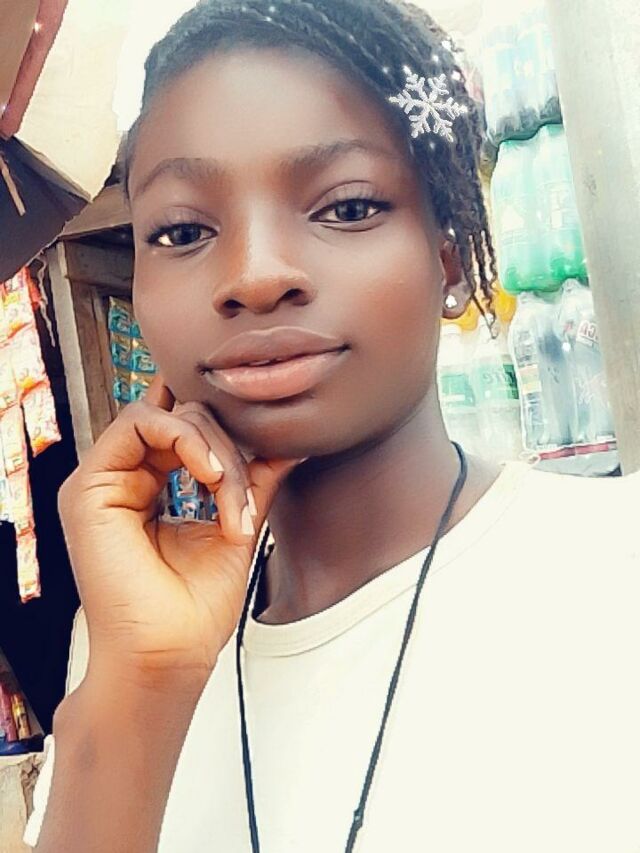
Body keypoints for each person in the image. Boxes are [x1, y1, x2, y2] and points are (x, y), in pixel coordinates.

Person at [26, 1, 640, 851]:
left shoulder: (614, 570)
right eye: (183, 230)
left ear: (449, 260)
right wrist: (142, 684)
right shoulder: (124, 641)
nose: (254, 275)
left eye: (347, 208)